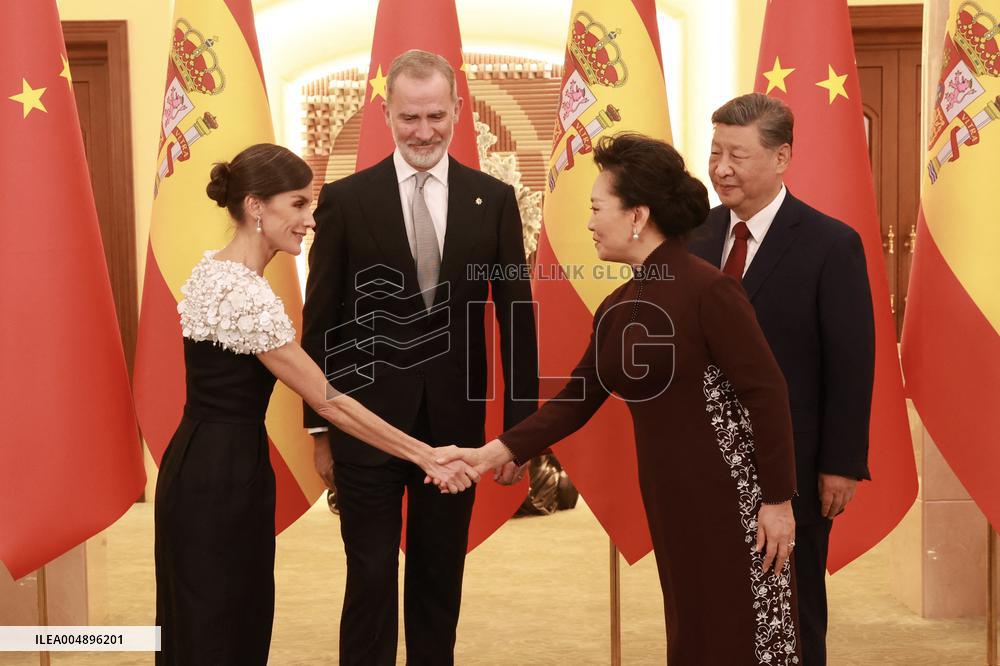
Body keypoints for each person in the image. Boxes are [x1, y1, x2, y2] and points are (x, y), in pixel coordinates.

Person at [439, 133, 801, 665]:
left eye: (595, 208)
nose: (587, 223)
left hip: (735, 499)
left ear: (637, 215)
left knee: (738, 637)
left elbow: (767, 394)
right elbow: (575, 401)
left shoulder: (709, 290)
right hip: (670, 495)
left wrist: (777, 502)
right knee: (692, 633)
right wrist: (492, 453)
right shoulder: (617, 304)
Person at [153, 143, 479, 666]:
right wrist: (424, 453)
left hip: (207, 462)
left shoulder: (217, 271)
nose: (310, 219)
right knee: (220, 623)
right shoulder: (242, 293)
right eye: (299, 204)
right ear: (257, 206)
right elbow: (332, 403)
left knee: (212, 616)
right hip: (220, 475)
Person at [302, 50, 538, 665]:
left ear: (459, 111)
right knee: (370, 578)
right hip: (364, 426)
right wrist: (319, 427)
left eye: (436, 114)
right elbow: (321, 319)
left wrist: (518, 436)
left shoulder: (496, 199)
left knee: (439, 581)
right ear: (387, 115)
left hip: (455, 431)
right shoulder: (346, 200)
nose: (424, 130)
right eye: (410, 117)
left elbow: (516, 319)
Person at [689, 92, 875, 665]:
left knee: (791, 609)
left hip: (792, 462)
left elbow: (850, 362)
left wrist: (840, 464)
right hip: (704, 459)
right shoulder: (693, 235)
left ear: (781, 157)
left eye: (737, 156)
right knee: (713, 604)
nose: (721, 168)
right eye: (715, 151)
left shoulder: (830, 244)